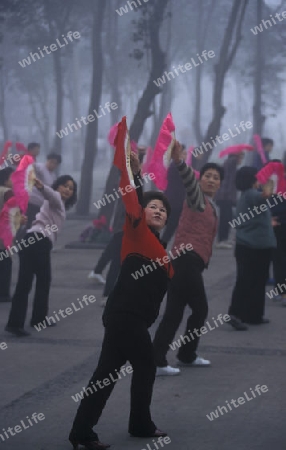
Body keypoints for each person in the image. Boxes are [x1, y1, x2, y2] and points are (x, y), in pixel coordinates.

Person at [69, 148, 173, 449]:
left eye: (163, 210)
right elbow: (131, 197)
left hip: (129, 318)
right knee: (146, 364)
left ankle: (82, 432)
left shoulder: (160, 247)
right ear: (143, 212)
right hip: (125, 316)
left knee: (106, 374)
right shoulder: (136, 230)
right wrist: (135, 172)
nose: (158, 211)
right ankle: (139, 424)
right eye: (153, 206)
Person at [153, 141, 224, 376]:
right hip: (186, 261)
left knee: (174, 313)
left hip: (188, 262)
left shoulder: (214, 205)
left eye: (216, 177)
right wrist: (179, 161)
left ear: (220, 183)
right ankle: (185, 355)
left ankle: (159, 358)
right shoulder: (196, 197)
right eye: (208, 176)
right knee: (200, 310)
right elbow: (188, 180)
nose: (211, 180)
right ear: (200, 179)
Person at [5, 175, 77, 337]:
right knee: (41, 281)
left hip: (30, 240)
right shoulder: (56, 199)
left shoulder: (54, 204)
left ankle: (19, 322)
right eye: (64, 186)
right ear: (57, 186)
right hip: (39, 241)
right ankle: (35, 319)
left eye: (71, 188)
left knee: (29, 282)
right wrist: (41, 186)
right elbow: (51, 194)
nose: (67, 190)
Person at [228, 167, 276, 330]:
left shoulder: (246, 196)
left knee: (255, 281)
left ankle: (254, 315)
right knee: (249, 281)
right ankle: (236, 314)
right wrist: (271, 179)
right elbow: (265, 196)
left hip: (252, 246)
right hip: (254, 247)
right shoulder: (251, 194)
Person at [26, 153, 62, 229]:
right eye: (51, 162)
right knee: (30, 223)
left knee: (33, 224)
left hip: (40, 204)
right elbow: (33, 166)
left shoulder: (52, 176)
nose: (52, 164)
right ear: (47, 160)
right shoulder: (40, 167)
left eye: (55, 163)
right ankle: (19, 239)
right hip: (32, 201)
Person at [215, 152, 244, 249]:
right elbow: (230, 182)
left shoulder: (228, 164)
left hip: (225, 196)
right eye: (241, 157)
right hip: (225, 196)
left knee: (227, 217)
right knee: (226, 218)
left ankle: (224, 239)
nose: (241, 160)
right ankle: (222, 239)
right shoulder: (231, 163)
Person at [161, 145, 187, 243]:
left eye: (186, 154)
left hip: (175, 199)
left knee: (172, 225)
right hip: (174, 201)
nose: (185, 156)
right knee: (172, 225)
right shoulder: (177, 166)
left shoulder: (177, 165)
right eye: (183, 153)